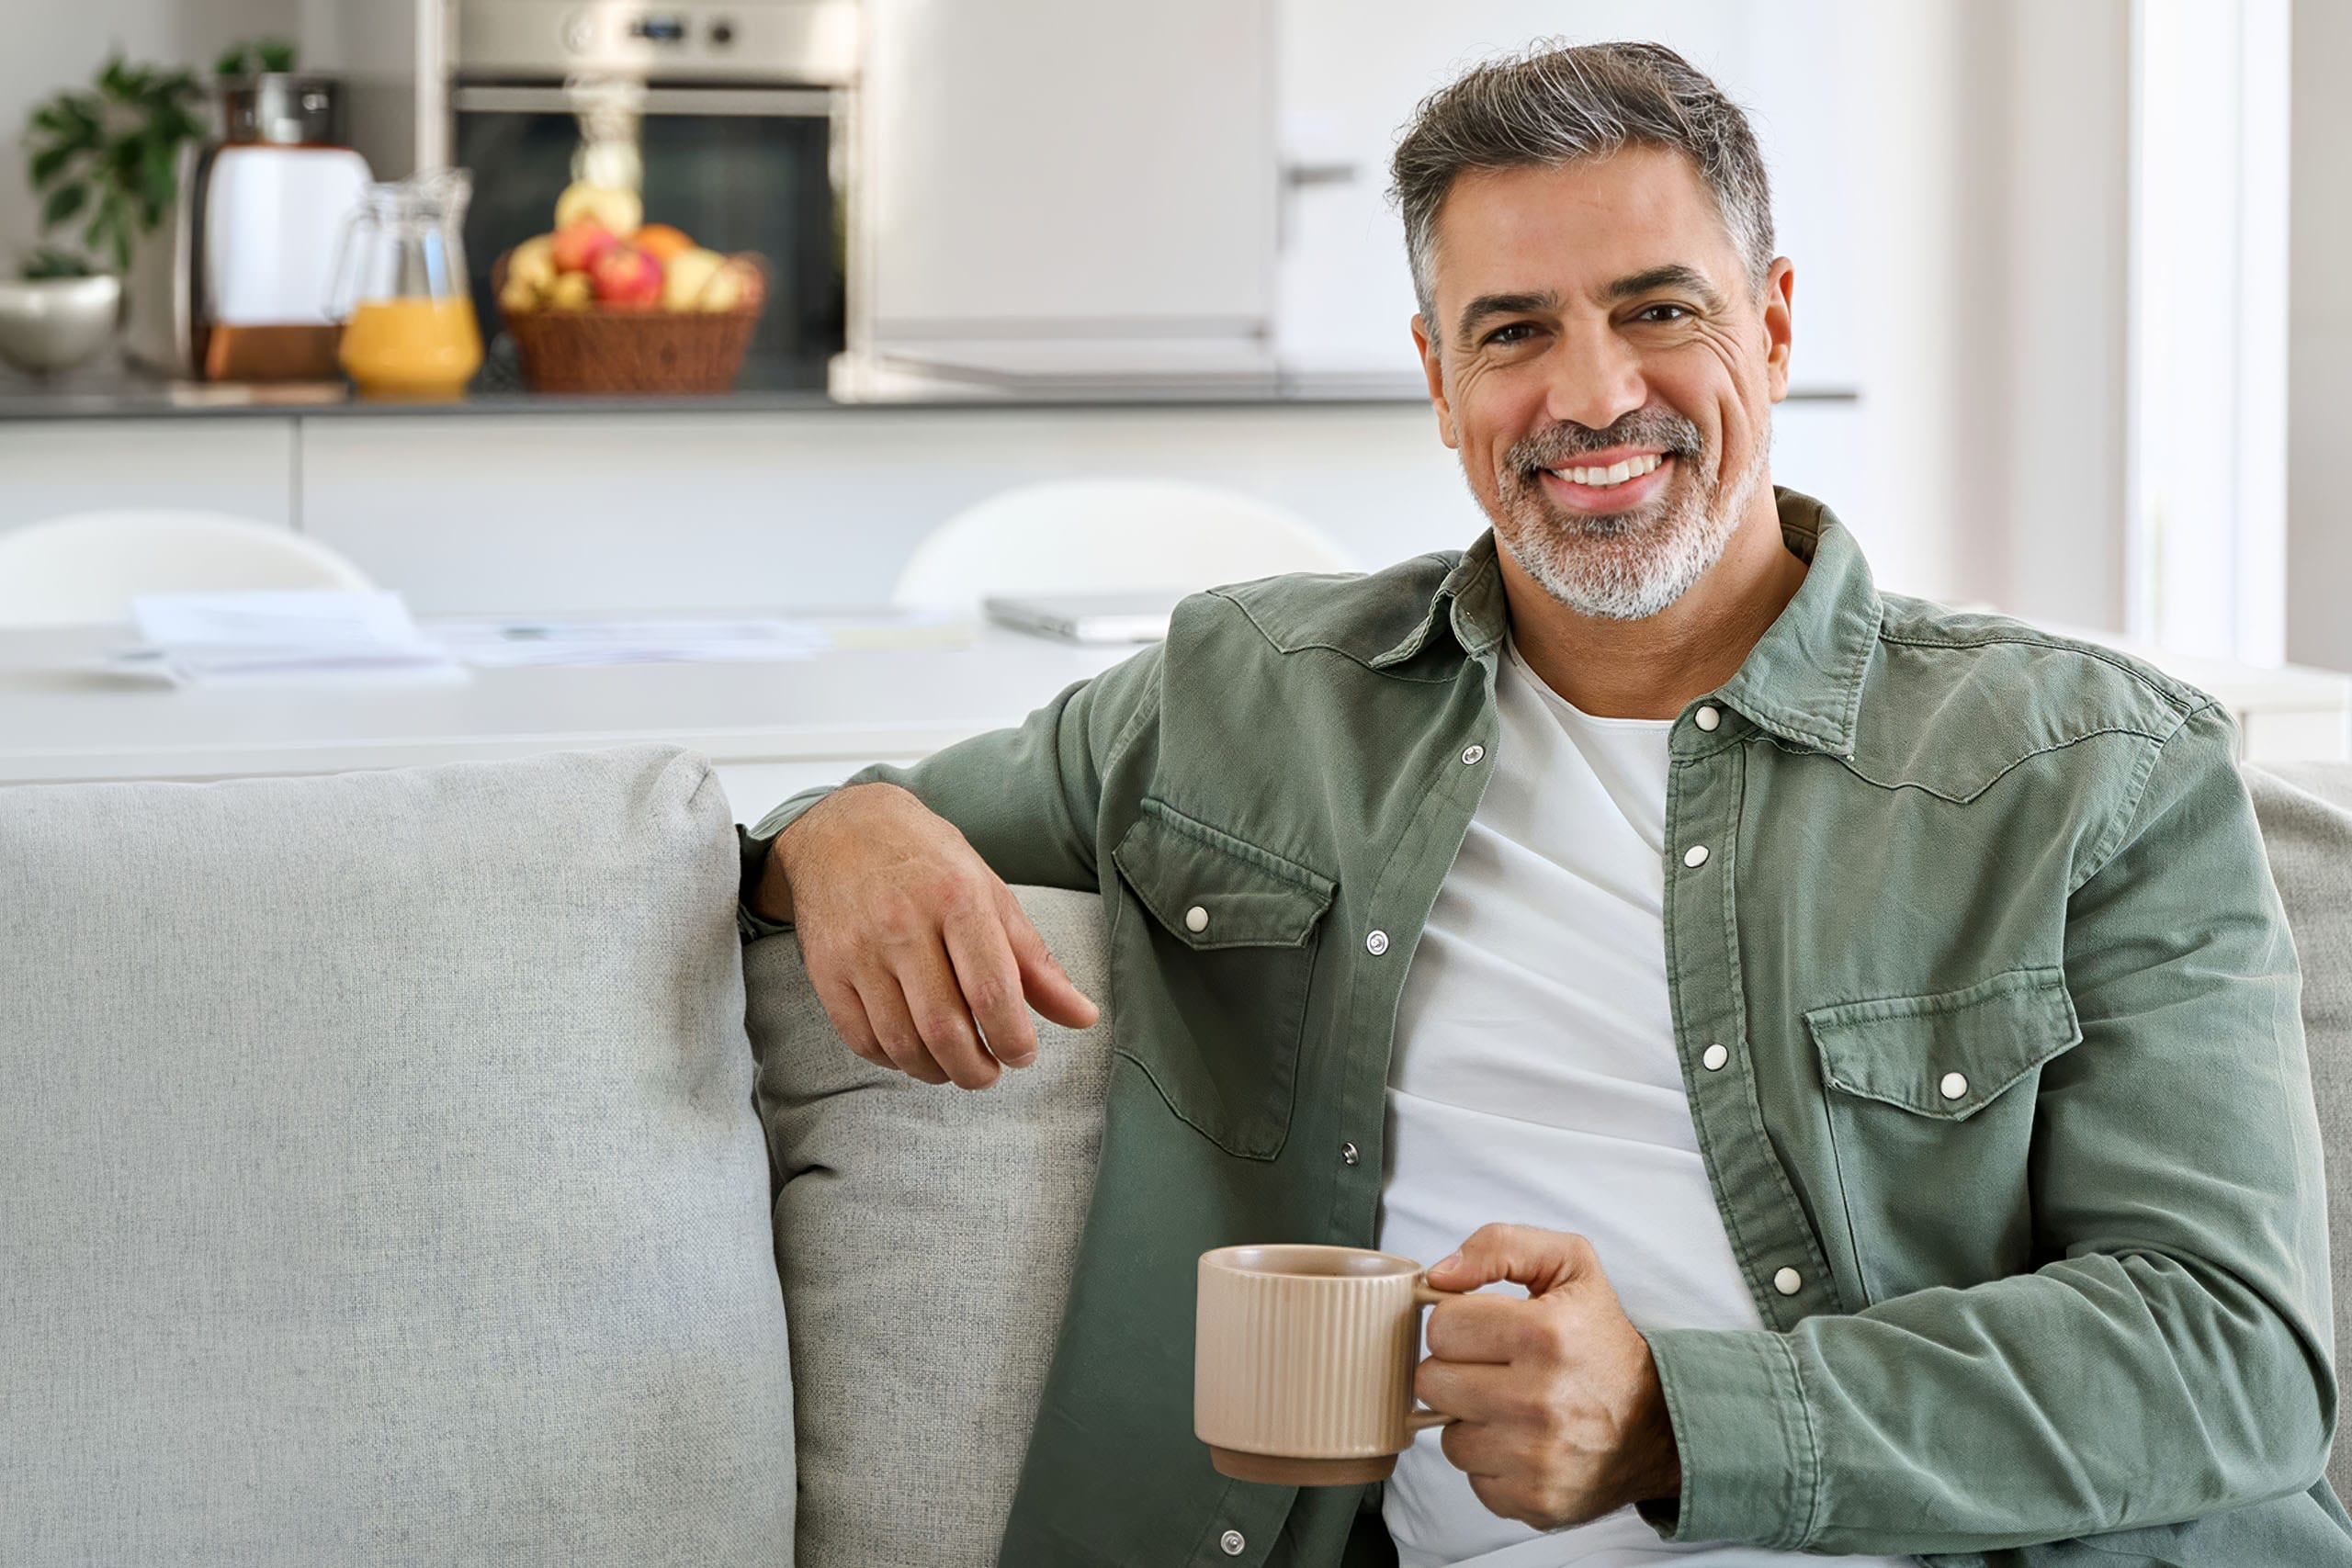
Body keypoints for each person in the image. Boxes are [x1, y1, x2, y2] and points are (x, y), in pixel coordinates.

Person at [739, 39, 2348, 1568]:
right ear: (1440, 383)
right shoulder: (1248, 699)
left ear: (1774, 327)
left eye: (1658, 309)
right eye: (1512, 332)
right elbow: (830, 830)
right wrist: (834, 835)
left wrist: (1673, 1425)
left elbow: (2238, 1352)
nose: (1591, 397)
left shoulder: (2101, 769)